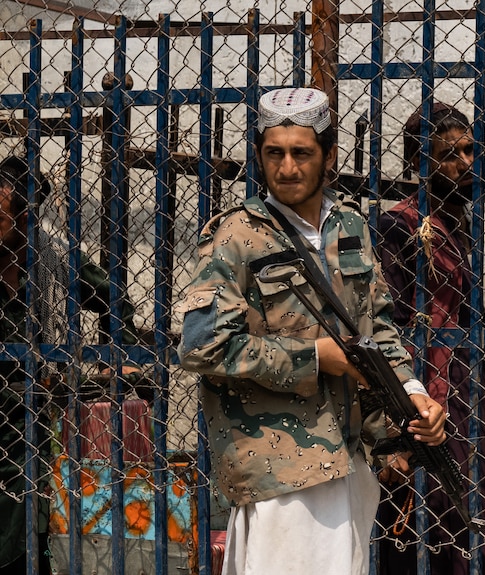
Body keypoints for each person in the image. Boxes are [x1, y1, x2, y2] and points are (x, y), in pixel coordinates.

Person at [176, 87, 446, 575]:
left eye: (302, 153)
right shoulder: (236, 236)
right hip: (280, 468)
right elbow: (202, 346)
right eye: (273, 153)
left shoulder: (351, 226)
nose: (287, 167)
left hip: (352, 457)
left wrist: (412, 393)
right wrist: (314, 356)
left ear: (328, 155)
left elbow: (378, 328)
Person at [375, 102, 485, 574]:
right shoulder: (399, 226)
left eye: (469, 151)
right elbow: (389, 325)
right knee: (442, 519)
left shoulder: (479, 225)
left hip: (483, 389)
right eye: (449, 154)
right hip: (430, 383)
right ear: (422, 164)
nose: (464, 163)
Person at [0, 154, 143, 573]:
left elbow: (114, 302)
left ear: (25, 219)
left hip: (33, 425)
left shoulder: (54, 257)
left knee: (32, 530)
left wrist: (123, 357)